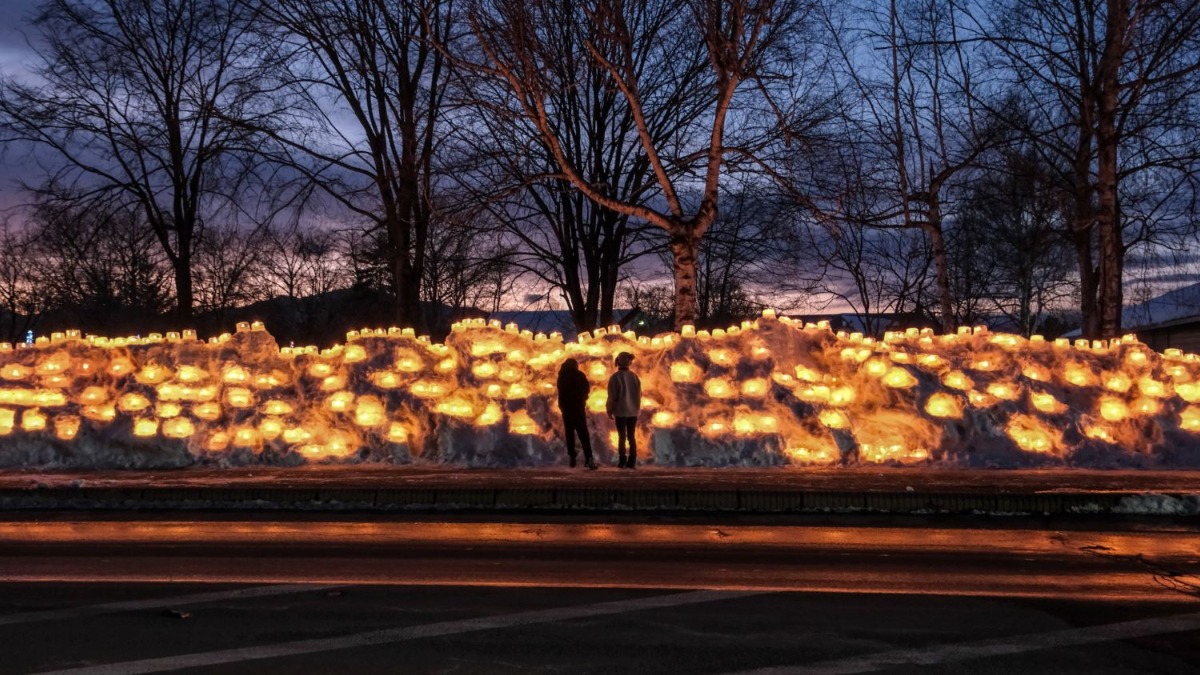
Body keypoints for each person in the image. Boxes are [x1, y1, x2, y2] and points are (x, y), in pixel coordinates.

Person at [556, 358, 596, 469]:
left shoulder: (562, 377)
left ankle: (572, 456)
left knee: (569, 433)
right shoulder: (579, 375)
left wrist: (562, 405)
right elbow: (586, 389)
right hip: (578, 408)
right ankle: (589, 458)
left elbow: (561, 392)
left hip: (566, 409)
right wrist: (583, 398)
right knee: (583, 433)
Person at [606, 351, 642, 469]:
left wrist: (609, 409)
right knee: (631, 436)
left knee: (622, 436)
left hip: (620, 412)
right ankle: (632, 460)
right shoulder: (634, 377)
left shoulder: (615, 378)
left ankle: (622, 461)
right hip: (633, 412)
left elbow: (612, 396)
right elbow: (639, 394)